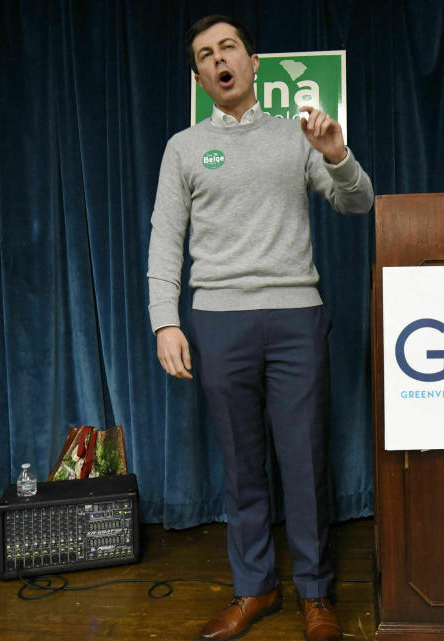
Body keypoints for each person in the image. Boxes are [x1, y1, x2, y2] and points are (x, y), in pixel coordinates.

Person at [147, 14, 373, 641]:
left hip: (297, 315)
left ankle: (317, 596)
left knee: (303, 460)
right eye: (205, 55)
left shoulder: (297, 136)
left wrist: (339, 156)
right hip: (218, 322)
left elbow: (359, 203)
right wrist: (166, 319)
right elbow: (166, 237)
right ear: (199, 76)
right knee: (243, 466)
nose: (219, 60)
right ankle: (255, 589)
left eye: (228, 48)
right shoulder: (184, 147)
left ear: (253, 64)